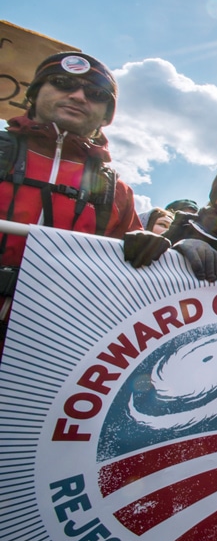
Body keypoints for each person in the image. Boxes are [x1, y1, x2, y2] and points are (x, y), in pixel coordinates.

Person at [0, 52, 142, 342]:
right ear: (35, 94)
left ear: (106, 115)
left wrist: (178, 249)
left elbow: (135, 278)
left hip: (50, 348)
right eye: (62, 83)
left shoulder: (118, 192)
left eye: (95, 93)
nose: (78, 96)